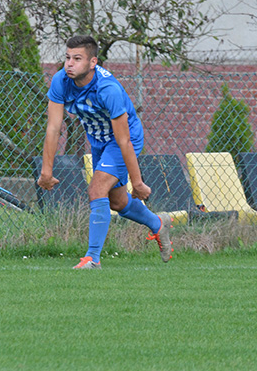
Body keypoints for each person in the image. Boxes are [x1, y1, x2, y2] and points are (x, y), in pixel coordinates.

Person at [37, 35, 172, 269]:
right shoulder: (60, 81)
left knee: (96, 189)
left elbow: (124, 141)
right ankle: (158, 223)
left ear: (93, 63)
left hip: (124, 140)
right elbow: (53, 128)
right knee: (117, 202)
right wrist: (46, 172)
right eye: (67, 58)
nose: (69, 64)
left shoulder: (108, 89)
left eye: (77, 59)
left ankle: (93, 258)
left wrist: (137, 183)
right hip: (99, 142)